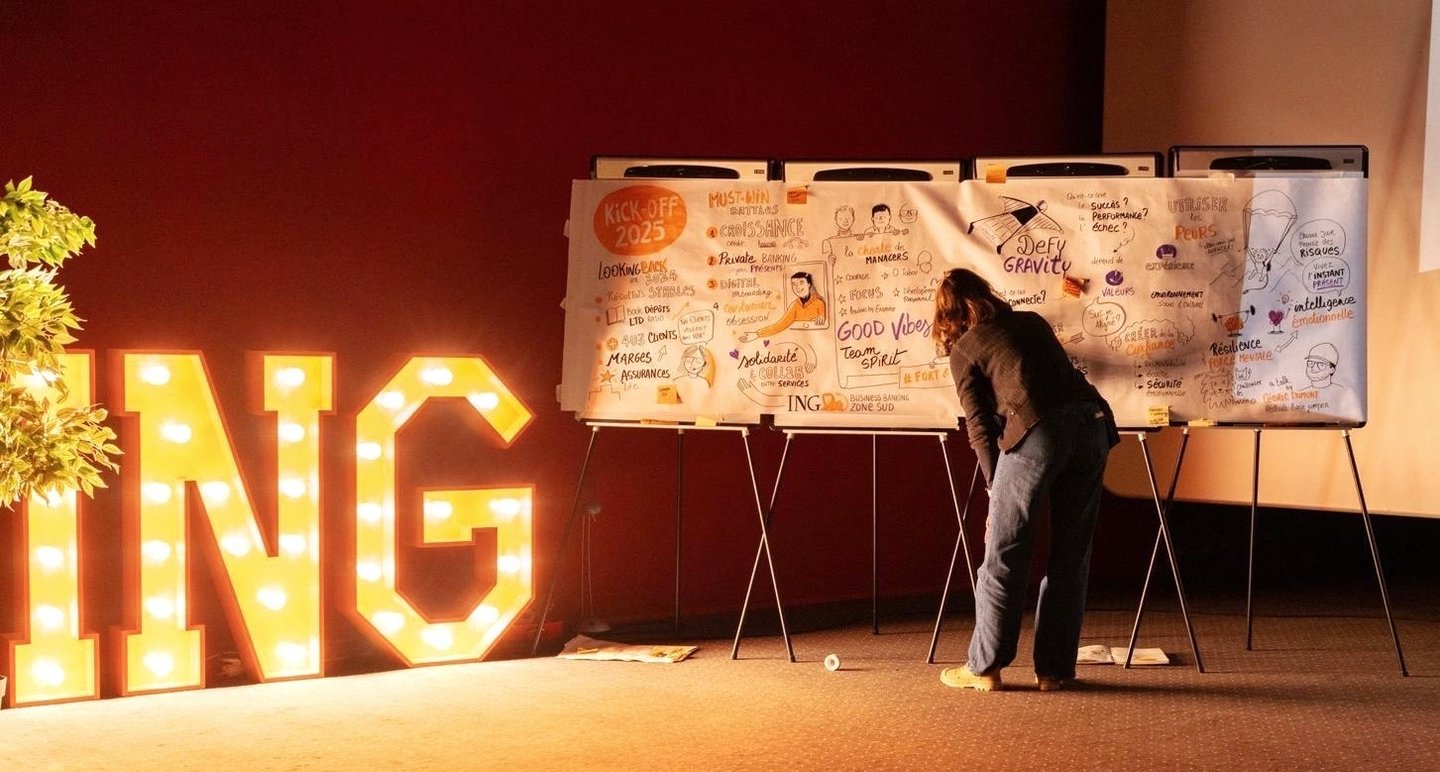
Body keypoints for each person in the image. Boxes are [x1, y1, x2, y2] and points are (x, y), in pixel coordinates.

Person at [931, 268, 1118, 692]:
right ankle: (1053, 671)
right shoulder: (1032, 321)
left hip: (1039, 431)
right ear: (987, 295)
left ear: (948, 315)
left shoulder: (964, 347)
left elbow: (979, 426)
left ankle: (985, 668)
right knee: (1072, 555)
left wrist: (995, 488)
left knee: (1005, 553)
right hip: (1093, 424)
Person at [739, 272, 826, 342]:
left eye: (801, 283)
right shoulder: (795, 305)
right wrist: (757, 334)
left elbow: (824, 317)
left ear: (809, 284)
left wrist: (821, 317)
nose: (797, 287)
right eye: (794, 284)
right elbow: (781, 324)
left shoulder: (819, 303)